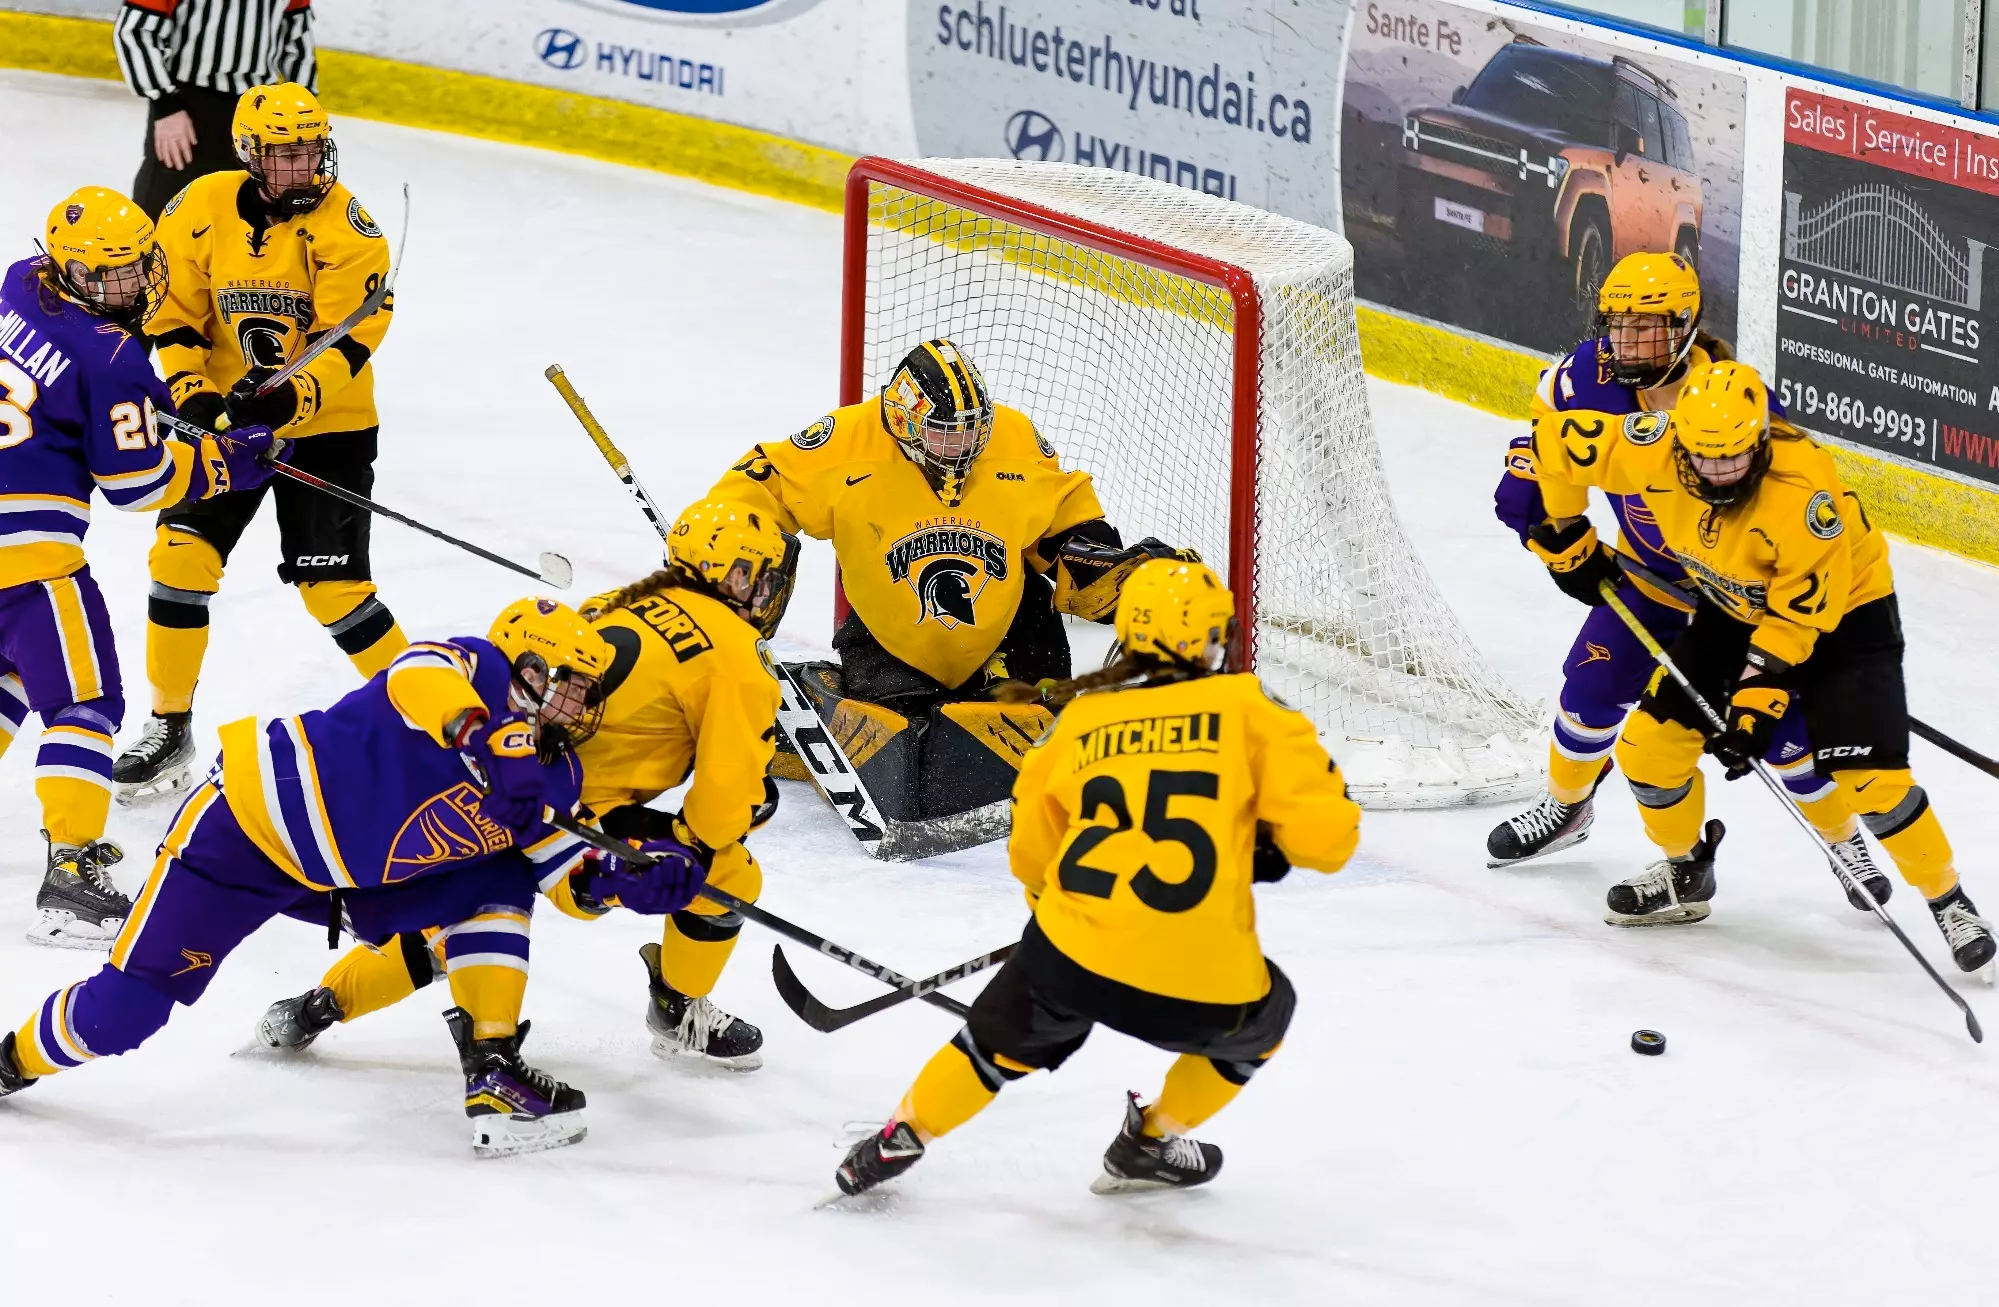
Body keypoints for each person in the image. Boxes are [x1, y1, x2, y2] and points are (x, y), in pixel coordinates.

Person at [0, 597, 712, 1156]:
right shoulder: (475, 666)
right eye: (570, 686)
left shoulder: (556, 777)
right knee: (127, 1013)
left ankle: (493, 1066)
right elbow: (413, 676)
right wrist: (483, 735)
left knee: (502, 877)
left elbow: (565, 872)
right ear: (527, 667)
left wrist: (625, 883)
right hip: (247, 831)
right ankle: (11, 1060)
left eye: (587, 691)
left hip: (351, 882)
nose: (582, 707)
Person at [834, 559, 1362, 1198]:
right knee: (1268, 1015)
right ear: (1213, 639)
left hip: (1067, 956)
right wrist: (1269, 838)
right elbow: (1327, 845)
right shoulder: (1254, 713)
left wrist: (1053, 914)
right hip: (1201, 976)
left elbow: (1032, 853)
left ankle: (901, 1134)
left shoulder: (1082, 720)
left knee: (987, 1047)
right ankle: (1151, 1141)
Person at [254, 500, 790, 1070]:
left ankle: (315, 1008)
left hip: (495, 779)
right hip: (572, 816)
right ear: (736, 576)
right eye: (762, 578)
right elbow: (719, 813)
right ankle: (678, 1007)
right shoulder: (739, 659)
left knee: (459, 911)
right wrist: (726, 818)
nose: (768, 592)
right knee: (728, 872)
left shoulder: (625, 598)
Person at [1525, 360, 1995, 968]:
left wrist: (1753, 707)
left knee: (1871, 782)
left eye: (1735, 458)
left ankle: (1948, 901)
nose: (1720, 472)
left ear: (1762, 440)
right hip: (1734, 604)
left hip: (1844, 617)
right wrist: (1566, 532)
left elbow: (1795, 624)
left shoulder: (1803, 496)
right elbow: (1553, 444)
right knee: (1647, 750)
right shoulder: (1651, 446)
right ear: (1680, 440)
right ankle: (1686, 872)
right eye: (1705, 458)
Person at [1487, 252, 1858, 886]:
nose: (1628, 342)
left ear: (1685, 326)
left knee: (1780, 732)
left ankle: (1843, 841)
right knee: (1589, 691)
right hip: (1646, 580)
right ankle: (1568, 807)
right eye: (1619, 325)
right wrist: (1558, 538)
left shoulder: (1728, 399)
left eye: (1646, 327)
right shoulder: (1583, 376)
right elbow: (1538, 451)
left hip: (1734, 599)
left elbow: (1788, 514)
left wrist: (1784, 613)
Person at [713, 337, 1189, 827]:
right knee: (905, 753)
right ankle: (824, 697)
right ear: (904, 421)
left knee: (1026, 727)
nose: (962, 445)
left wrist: (1098, 560)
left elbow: (1061, 515)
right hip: (892, 635)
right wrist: (733, 537)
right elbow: (759, 484)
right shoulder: (845, 442)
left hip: (1008, 628)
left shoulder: (1014, 437)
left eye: (972, 431)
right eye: (944, 433)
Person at [0, 186, 280, 948]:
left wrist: (134, 405)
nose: (133, 283)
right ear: (76, 272)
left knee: (12, 675)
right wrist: (222, 464)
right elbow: (135, 485)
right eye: (114, 274)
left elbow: (70, 381)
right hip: (30, 558)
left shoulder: (22, 281)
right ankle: (70, 879)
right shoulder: (115, 359)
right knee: (85, 702)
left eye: (136, 267)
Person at [115, 82, 406, 803]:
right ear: (250, 154)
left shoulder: (352, 230)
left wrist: (284, 402)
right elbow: (172, 313)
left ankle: (425, 725)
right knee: (178, 559)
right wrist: (195, 393)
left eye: (310, 150)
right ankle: (169, 725)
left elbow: (349, 343)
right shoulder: (200, 206)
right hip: (222, 427)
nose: (302, 165)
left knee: (334, 590)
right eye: (284, 154)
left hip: (328, 430)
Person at [115, 0, 318, 217]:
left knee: (248, 214)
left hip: (260, 111)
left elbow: (299, 45)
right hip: (186, 105)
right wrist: (165, 106)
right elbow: (135, 31)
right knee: (162, 207)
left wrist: (303, 113)